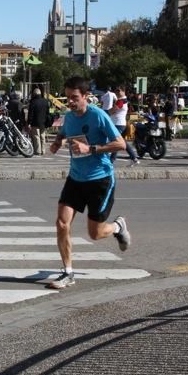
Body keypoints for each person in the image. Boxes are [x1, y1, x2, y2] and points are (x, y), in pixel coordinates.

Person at [48, 76, 131, 290]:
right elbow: (64, 132)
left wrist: (91, 149)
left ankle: (117, 226)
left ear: (86, 96)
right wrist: (58, 142)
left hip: (100, 179)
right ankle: (68, 273)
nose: (70, 102)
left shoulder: (99, 115)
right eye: (67, 98)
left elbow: (121, 144)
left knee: (95, 234)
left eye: (74, 98)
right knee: (61, 223)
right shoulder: (69, 116)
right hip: (75, 178)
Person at [109, 86, 139, 166]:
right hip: (119, 123)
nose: (117, 92)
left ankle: (111, 161)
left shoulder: (121, 101)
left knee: (116, 141)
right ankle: (134, 158)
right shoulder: (122, 100)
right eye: (116, 91)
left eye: (118, 91)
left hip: (118, 124)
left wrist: (106, 112)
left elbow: (113, 110)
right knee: (122, 142)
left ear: (123, 91)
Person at [27, 88, 49, 155]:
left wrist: (29, 122)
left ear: (34, 94)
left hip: (35, 122)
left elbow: (31, 113)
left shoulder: (33, 102)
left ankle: (37, 151)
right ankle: (43, 150)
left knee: (36, 137)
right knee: (42, 136)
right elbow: (47, 112)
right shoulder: (45, 101)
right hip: (43, 122)